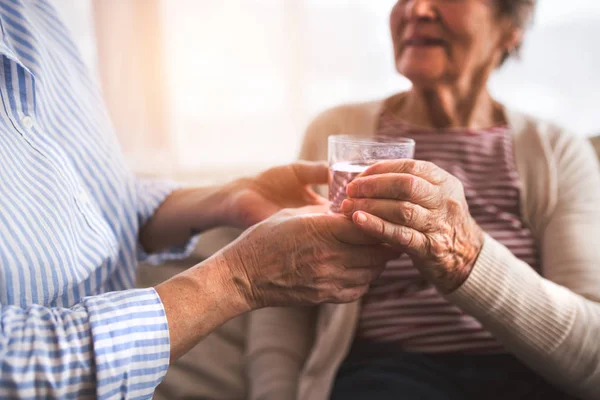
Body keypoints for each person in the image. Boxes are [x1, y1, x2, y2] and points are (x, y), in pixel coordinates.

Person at [0, 1, 400, 398]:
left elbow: (94, 197)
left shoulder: (34, 17)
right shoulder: (337, 124)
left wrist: (230, 196)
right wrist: (238, 279)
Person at [247, 1, 600, 399]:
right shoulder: (339, 132)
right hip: (386, 371)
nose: (417, 9)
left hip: (526, 369)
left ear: (510, 27)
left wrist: (465, 258)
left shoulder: (556, 150)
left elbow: (592, 351)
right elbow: (284, 293)